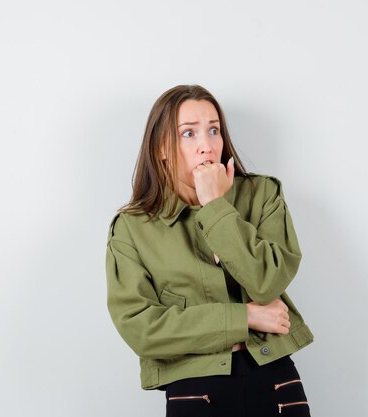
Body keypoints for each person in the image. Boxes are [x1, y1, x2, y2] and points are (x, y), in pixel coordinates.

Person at [105, 84, 314, 416]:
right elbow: (142, 329)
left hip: (274, 379)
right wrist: (245, 317)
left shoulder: (262, 195)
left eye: (213, 130)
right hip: (195, 391)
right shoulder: (133, 227)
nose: (206, 145)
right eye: (188, 134)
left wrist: (216, 206)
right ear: (161, 147)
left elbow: (267, 282)